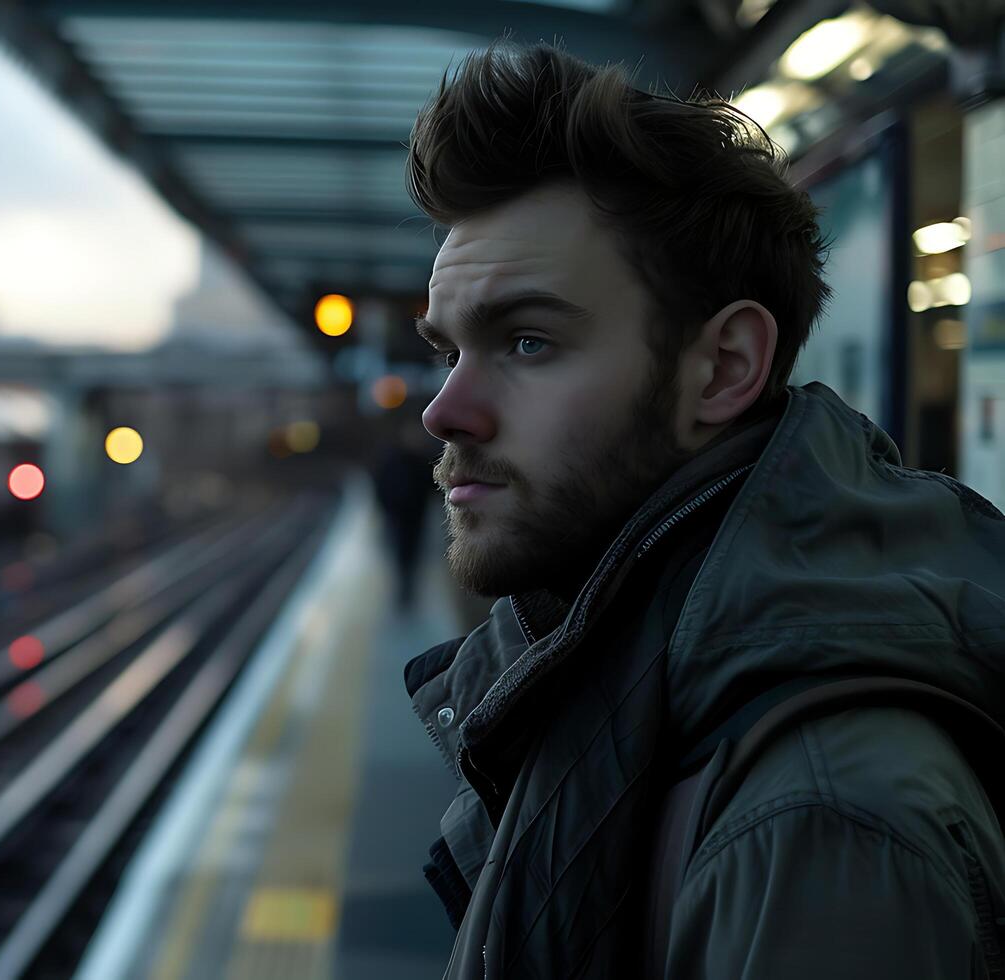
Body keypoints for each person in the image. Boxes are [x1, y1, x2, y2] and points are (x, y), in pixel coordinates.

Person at [402, 41, 1005, 978]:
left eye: (526, 341)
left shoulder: (819, 819)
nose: (445, 410)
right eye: (448, 352)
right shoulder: (614, 668)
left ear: (721, 368)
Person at [373, 417, 443, 614]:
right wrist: (385, 507)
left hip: (415, 515)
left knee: (412, 552)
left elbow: (433, 486)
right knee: (401, 551)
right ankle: (403, 588)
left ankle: (407, 588)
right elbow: (381, 485)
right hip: (396, 514)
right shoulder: (394, 458)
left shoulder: (422, 460)